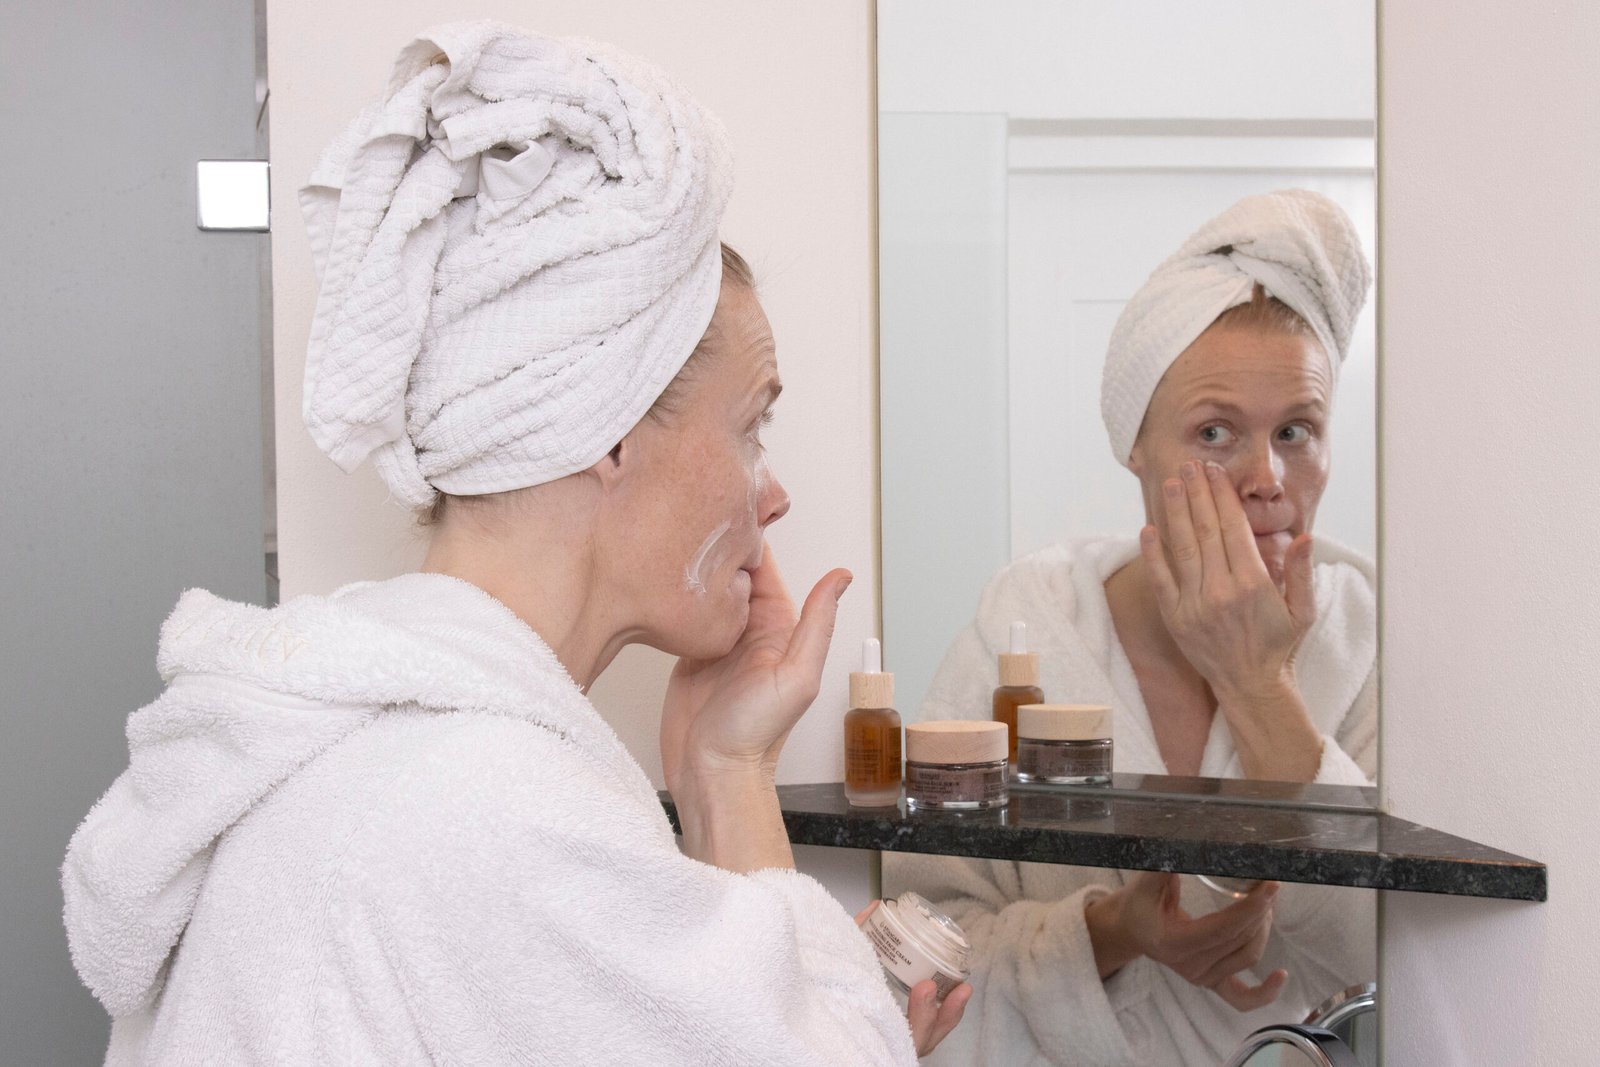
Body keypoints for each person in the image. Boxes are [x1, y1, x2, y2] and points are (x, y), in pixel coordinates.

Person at [62, 23, 966, 1065]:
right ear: (611, 431)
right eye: (751, 424)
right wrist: (742, 783)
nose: (774, 493)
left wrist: (723, 758)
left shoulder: (377, 757)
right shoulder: (488, 810)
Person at [885, 189, 1376, 1067]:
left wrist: (1260, 687)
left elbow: (1404, 944)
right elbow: (918, 944)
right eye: (1215, 431)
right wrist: (1112, 931)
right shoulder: (1032, 624)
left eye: (1297, 430)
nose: (1267, 476)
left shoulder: (1360, 635)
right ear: (1135, 446)